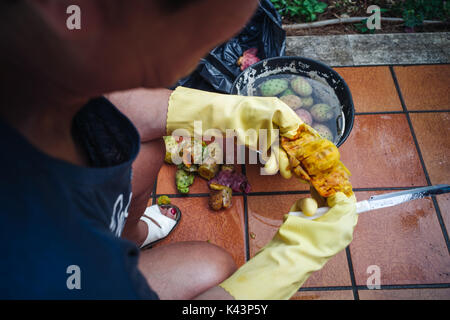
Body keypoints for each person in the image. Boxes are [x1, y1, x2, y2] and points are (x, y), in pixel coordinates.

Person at [0, 0, 357, 300]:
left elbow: (111, 106)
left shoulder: (33, 67)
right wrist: (287, 264)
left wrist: (229, 113)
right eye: (202, 42)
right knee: (212, 268)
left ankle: (131, 236)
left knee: (146, 151)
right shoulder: (41, 268)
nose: (195, 62)